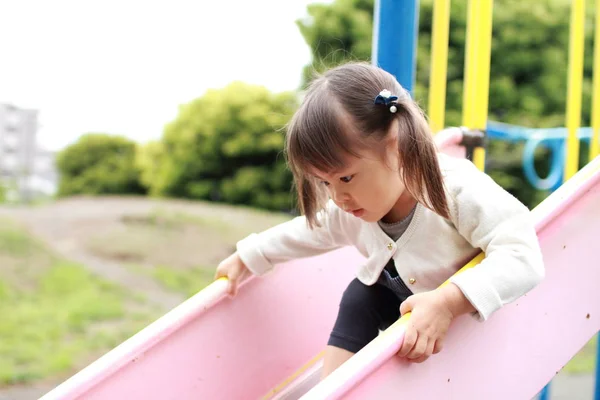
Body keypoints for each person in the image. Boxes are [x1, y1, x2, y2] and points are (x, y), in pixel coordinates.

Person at [214, 62, 545, 378]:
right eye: (325, 183)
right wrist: (251, 254)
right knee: (361, 296)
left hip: (466, 321)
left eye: (345, 178)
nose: (337, 198)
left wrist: (448, 302)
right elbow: (309, 231)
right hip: (404, 307)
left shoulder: (455, 189)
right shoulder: (353, 208)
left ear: (397, 148)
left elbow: (521, 254)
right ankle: (332, 389)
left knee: (369, 293)